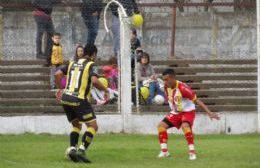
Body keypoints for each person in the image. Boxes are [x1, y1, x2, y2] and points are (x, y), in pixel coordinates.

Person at [55, 44, 109, 163]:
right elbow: (95, 81)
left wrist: (60, 88)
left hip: (66, 98)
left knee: (76, 125)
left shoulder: (72, 62)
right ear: (94, 54)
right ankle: (82, 150)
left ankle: (73, 149)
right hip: (79, 99)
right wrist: (105, 90)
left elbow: (57, 74)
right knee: (93, 126)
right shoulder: (91, 65)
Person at [157, 69, 220, 160]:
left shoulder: (183, 88)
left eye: (167, 80)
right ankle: (164, 152)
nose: (165, 82)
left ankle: (192, 152)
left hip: (187, 111)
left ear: (173, 78)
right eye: (164, 80)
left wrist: (209, 113)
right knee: (161, 126)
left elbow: (197, 100)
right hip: (176, 112)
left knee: (185, 126)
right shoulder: (166, 86)